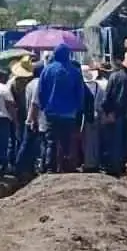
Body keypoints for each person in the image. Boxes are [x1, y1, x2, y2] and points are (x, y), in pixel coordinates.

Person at [39, 43, 86, 173]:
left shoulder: (47, 70)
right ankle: (66, 166)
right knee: (67, 140)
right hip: (69, 112)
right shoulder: (74, 72)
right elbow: (80, 93)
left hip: (51, 111)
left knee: (51, 140)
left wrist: (44, 107)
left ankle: (50, 167)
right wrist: (79, 108)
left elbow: (41, 91)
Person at [100, 58, 127, 176]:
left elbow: (107, 95)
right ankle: (123, 166)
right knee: (125, 140)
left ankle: (114, 168)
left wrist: (106, 110)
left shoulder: (114, 76)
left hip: (114, 112)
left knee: (114, 141)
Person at [80, 65, 106, 172]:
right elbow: (101, 103)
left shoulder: (81, 86)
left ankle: (87, 162)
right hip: (96, 115)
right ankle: (94, 162)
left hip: (83, 116)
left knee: (84, 140)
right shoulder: (97, 86)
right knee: (95, 140)